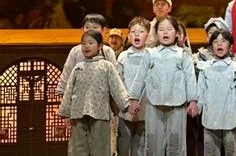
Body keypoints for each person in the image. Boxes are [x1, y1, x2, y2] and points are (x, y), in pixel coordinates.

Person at [128, 16, 198, 155]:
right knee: (153, 142)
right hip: (154, 104)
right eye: (161, 29)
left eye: (169, 29)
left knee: (176, 142)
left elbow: (190, 79)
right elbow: (140, 77)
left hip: (177, 104)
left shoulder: (183, 54)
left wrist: (193, 101)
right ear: (156, 33)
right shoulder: (150, 53)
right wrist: (134, 99)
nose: (165, 32)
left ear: (176, 33)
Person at [58, 30, 132, 156]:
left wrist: (126, 104)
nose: (86, 46)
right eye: (83, 43)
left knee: (100, 148)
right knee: (78, 148)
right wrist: (64, 111)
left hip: (99, 113)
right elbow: (69, 90)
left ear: (99, 46)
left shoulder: (106, 66)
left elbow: (117, 86)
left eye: (91, 43)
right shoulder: (78, 67)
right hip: (78, 113)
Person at [197, 28, 236, 156]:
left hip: (230, 116)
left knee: (231, 150)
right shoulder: (205, 67)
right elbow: (200, 91)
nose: (219, 44)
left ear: (230, 46)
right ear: (211, 47)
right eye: (215, 41)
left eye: (223, 41)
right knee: (210, 151)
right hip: (210, 116)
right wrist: (197, 109)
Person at [57, 13, 120, 96]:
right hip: (79, 95)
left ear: (104, 30)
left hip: (102, 96)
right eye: (87, 27)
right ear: (82, 30)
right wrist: (62, 92)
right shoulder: (75, 51)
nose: (91, 30)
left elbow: (115, 77)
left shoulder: (108, 51)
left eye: (95, 27)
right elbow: (67, 73)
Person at [117, 16, 150, 156]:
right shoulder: (123, 56)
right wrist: (126, 102)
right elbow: (118, 81)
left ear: (147, 35)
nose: (137, 34)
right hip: (125, 110)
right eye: (133, 32)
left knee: (141, 147)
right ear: (129, 35)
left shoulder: (151, 56)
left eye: (141, 31)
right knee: (123, 146)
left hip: (145, 109)